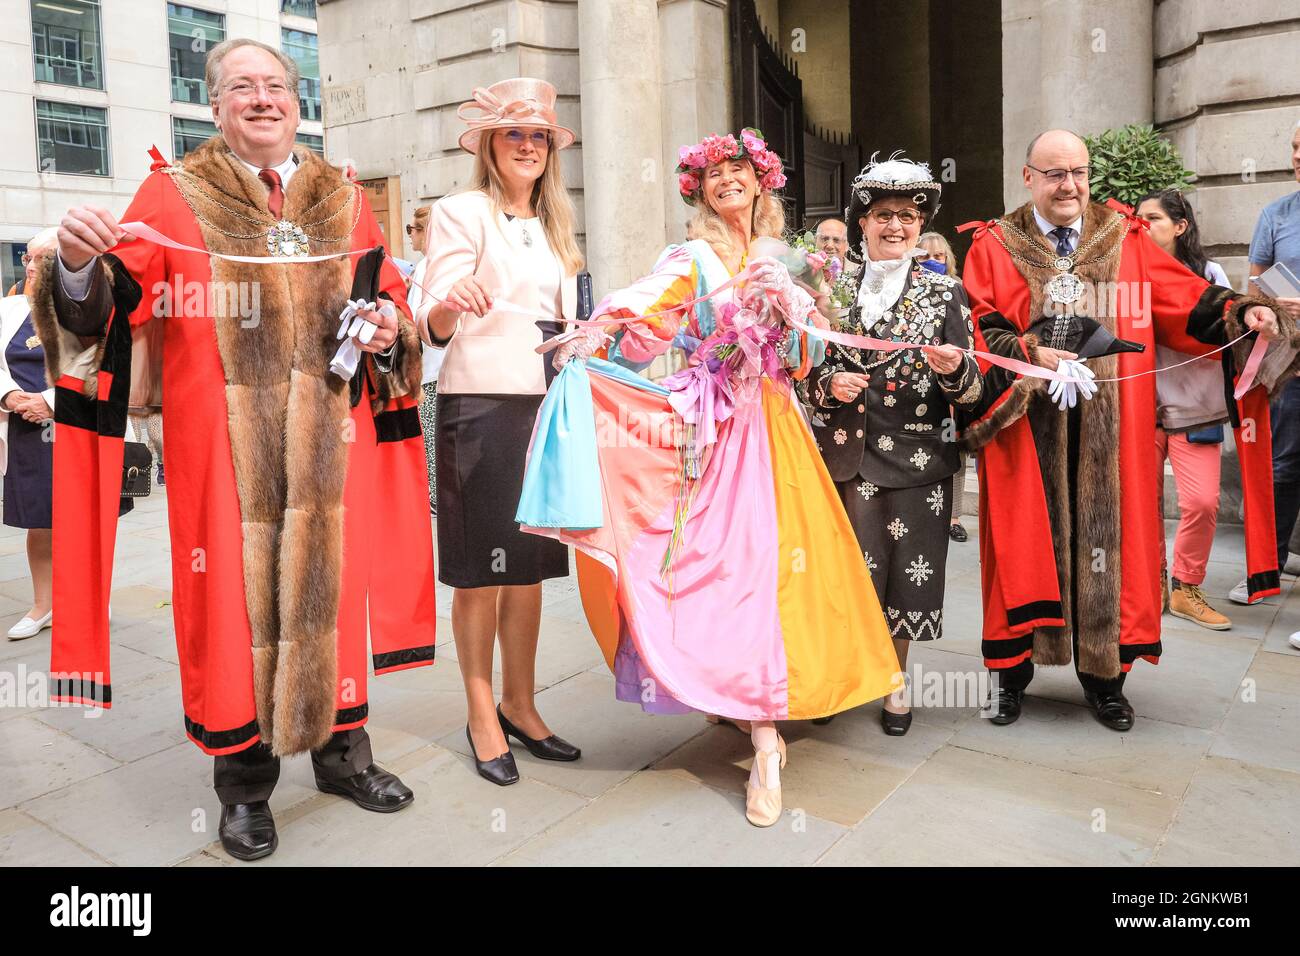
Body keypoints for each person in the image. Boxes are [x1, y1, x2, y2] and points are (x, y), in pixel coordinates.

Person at [33, 37, 437, 860]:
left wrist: (393, 322)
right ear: (214, 105)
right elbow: (106, 310)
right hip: (222, 453)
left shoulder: (342, 195)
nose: (263, 99)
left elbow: (382, 293)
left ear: (298, 99)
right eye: (242, 88)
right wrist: (76, 266)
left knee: (329, 595)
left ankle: (341, 755)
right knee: (233, 609)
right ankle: (245, 786)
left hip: (331, 439)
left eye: (277, 85)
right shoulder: (172, 193)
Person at [516, 127, 901, 826]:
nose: (728, 181)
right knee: (716, 570)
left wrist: (790, 316)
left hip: (778, 431)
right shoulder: (690, 256)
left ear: (760, 183)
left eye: (740, 171)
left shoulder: (791, 258)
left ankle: (763, 732)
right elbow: (644, 307)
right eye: (714, 174)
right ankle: (748, 710)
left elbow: (808, 354)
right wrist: (597, 332)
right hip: (710, 429)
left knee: (772, 574)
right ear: (700, 190)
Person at [959, 128, 1292, 732]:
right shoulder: (995, 244)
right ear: (1028, 176)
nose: (1070, 186)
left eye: (1079, 172)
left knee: (1108, 551)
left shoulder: (1124, 238)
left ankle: (1104, 677)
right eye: (1055, 173)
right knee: (1022, 544)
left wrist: (1243, 312)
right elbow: (983, 325)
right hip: (1028, 432)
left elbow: (1180, 298)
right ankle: (1011, 676)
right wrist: (1034, 357)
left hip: (1114, 435)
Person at [421, 77, 584, 787]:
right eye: (515, 133)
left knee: (530, 568)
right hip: (480, 405)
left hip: (545, 408)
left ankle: (522, 701)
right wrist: (453, 301)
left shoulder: (556, 227)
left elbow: (564, 320)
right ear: (490, 144)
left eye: (539, 135)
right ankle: (481, 709)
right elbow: (429, 316)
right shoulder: (462, 211)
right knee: (479, 573)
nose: (528, 145)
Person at [807, 158, 983, 736]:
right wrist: (826, 385)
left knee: (907, 576)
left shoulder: (947, 291)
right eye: (883, 215)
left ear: (920, 223)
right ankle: (841, 677)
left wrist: (954, 370)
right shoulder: (828, 287)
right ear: (862, 222)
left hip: (917, 459)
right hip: (842, 457)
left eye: (907, 217)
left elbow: (974, 388)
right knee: (844, 577)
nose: (895, 227)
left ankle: (895, 683)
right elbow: (797, 373)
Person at [1135, 189, 1233, 630]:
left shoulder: (1209, 273)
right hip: (1141, 408)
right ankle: (1153, 583)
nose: (1142, 225)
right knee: (1144, 503)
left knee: (1201, 502)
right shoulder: (1125, 273)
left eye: (1153, 218)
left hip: (1196, 406)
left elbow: (1227, 329)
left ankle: (1186, 585)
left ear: (1180, 226)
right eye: (1137, 218)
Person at [1232, 121, 1300, 653]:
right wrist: (1271, 306)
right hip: (1288, 364)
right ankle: (1265, 568)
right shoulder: (1275, 214)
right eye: (1295, 146)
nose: (1298, 155)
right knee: (1281, 466)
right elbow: (1253, 285)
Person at [1, 229, 59, 640]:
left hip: (78, 429)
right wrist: (9, 396)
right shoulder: (8, 308)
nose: (33, 266)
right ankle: (43, 605)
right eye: (29, 258)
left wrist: (50, 402)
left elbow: (103, 361)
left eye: (45, 259)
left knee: (85, 523)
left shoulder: (89, 306)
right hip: (24, 432)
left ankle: (89, 597)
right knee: (39, 522)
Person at [918, 230, 972, 543]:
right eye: (925, 256)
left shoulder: (957, 289)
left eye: (939, 256)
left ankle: (953, 516)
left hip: (948, 381)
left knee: (955, 450)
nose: (933, 261)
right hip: (916, 384)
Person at [405, 204, 441, 514]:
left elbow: (414, 322)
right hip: (447, 366)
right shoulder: (448, 265)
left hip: (429, 368)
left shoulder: (426, 268)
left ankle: (433, 495)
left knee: (429, 432)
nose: (410, 236)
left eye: (413, 229)